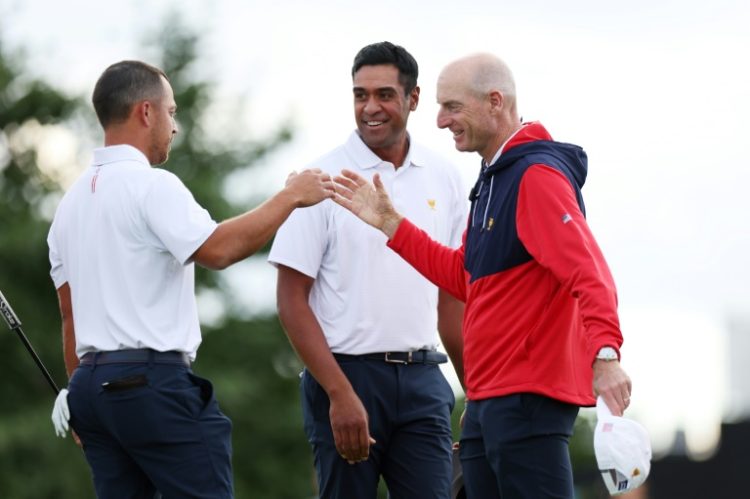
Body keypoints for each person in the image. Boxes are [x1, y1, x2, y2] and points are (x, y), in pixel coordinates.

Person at [332, 52, 632, 499]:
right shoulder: (493, 179)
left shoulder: (536, 177)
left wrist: (606, 356)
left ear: (495, 101)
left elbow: (588, 271)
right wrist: (392, 225)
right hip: (488, 400)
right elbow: (465, 278)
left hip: (528, 397)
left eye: (452, 106)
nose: (438, 120)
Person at [47, 60, 334, 499]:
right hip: (150, 386)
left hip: (91, 392)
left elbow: (70, 316)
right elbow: (218, 249)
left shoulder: (66, 208)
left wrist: (78, 392)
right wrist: (290, 197)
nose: (174, 126)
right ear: (146, 112)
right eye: (171, 112)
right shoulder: (152, 186)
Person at [267, 42, 467, 499]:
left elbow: (451, 295)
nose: (370, 108)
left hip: (423, 381)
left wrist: (474, 392)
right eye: (360, 95)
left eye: (384, 95)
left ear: (413, 99)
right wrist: (338, 394)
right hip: (345, 380)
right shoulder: (320, 178)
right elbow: (291, 299)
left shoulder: (445, 177)